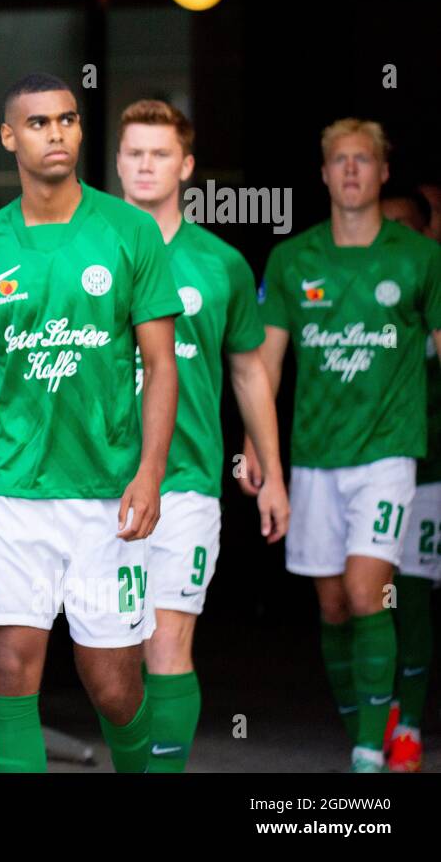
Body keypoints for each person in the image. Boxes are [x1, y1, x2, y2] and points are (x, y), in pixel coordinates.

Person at [0, 72, 182, 773]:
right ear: (8, 136)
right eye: (38, 123)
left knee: (112, 684)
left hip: (105, 496)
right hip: (13, 496)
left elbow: (162, 366)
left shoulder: (129, 231)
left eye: (68, 120)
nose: (56, 133)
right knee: (10, 673)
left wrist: (149, 472)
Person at [245, 119, 441, 772]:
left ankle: (368, 751)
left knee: (366, 593)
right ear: (323, 174)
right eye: (339, 160)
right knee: (331, 605)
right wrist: (256, 447)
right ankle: (366, 720)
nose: (352, 170)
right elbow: (263, 366)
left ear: (385, 174)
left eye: (364, 160)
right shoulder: (291, 258)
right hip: (312, 459)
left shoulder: (419, 257)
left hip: (388, 455)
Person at [115, 99, 289, 771]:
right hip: (94, 483)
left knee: (167, 644)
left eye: (160, 153)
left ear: (185, 166)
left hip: (186, 483)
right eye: (134, 153)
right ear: (119, 162)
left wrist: (270, 470)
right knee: (113, 657)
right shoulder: (89, 249)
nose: (146, 165)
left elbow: (249, 373)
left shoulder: (222, 264)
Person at [378, 184, 440, 771]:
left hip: (431, 472)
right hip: (371, 470)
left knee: (413, 595)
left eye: (407, 227)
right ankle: (386, 713)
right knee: (371, 599)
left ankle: (411, 726)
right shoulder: (368, 297)